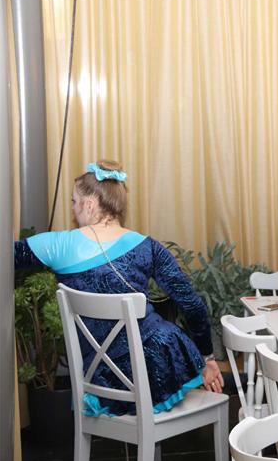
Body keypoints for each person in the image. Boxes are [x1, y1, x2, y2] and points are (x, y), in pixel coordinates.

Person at [13, 160, 223, 416]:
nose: (73, 209)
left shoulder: (58, 245)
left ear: (90, 204)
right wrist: (207, 358)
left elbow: (8, 255)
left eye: (74, 202)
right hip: (156, 372)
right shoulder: (148, 247)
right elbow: (192, 305)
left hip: (101, 377)